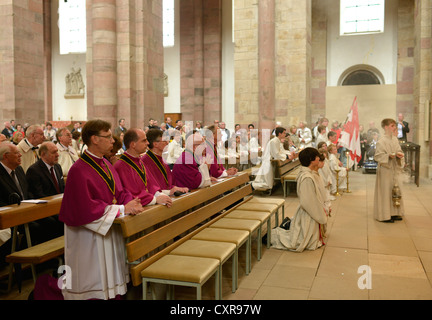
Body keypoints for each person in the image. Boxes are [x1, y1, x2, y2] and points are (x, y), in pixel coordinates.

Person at [59, 119, 143, 300]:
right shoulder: (79, 170)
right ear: (95, 139)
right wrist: (122, 208)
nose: (113, 141)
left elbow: (120, 191)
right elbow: (85, 208)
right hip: (88, 237)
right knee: (93, 279)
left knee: (109, 278)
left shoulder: (105, 164)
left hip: (108, 228)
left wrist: (131, 203)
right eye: (108, 137)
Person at [270, 148, 329, 252]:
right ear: (311, 160)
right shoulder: (307, 178)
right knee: (298, 241)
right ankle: (273, 236)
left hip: (310, 211)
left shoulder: (310, 174)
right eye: (316, 157)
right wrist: (320, 213)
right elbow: (307, 202)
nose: (319, 158)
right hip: (308, 212)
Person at [114, 128, 173, 207]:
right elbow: (133, 193)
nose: (148, 143)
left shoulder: (140, 162)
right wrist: (156, 199)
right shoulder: (122, 166)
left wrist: (161, 195)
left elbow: (151, 186)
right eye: (144, 141)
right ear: (133, 145)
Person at [25, 142, 64, 241]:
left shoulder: (57, 167)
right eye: (54, 152)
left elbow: (62, 188)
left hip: (60, 205)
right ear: (43, 154)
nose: (57, 154)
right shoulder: (34, 170)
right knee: (58, 220)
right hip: (44, 208)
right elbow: (38, 195)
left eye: (57, 151)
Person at [373, 118, 405, 223]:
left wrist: (399, 155)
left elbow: (399, 150)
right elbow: (377, 156)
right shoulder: (381, 141)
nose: (394, 127)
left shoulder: (395, 139)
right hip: (385, 170)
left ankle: (394, 213)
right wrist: (388, 156)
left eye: (394, 126)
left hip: (394, 169)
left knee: (395, 190)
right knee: (386, 192)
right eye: (392, 126)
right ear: (386, 127)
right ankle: (385, 215)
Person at [142, 128, 188, 195]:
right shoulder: (144, 162)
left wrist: (177, 188)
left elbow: (170, 183)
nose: (167, 143)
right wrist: (170, 191)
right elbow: (150, 187)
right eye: (164, 141)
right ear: (155, 144)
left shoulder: (162, 160)